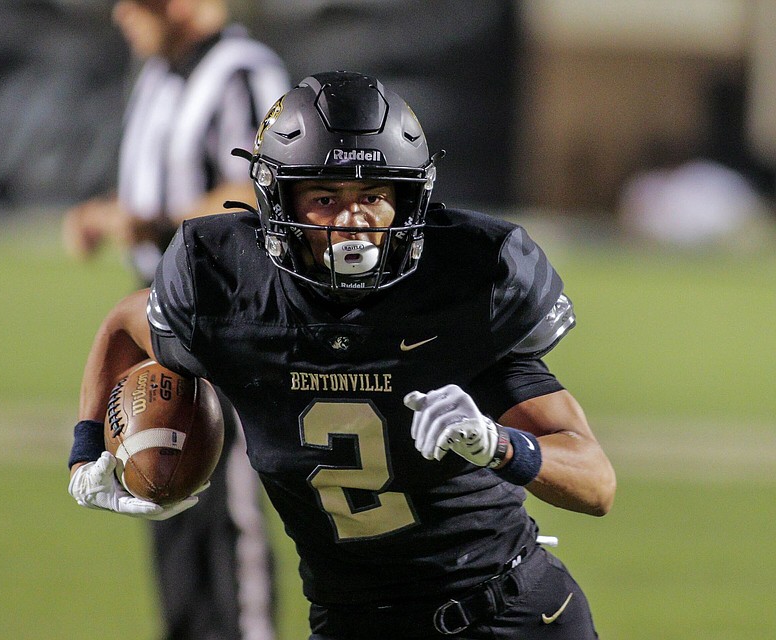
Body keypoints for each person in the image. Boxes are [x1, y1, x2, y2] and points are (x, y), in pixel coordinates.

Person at [67, 71, 616, 639]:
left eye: (373, 196)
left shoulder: (464, 286)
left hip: (506, 615)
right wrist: (85, 451)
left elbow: (596, 482)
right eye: (326, 198)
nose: (352, 222)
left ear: (409, 198)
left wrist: (499, 445)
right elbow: (125, 323)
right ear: (277, 199)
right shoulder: (229, 287)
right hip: (350, 621)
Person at [63, 2, 291, 639]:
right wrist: (110, 216)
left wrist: (155, 223)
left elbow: (256, 191)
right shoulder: (162, 75)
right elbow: (158, 199)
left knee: (229, 507)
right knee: (161, 489)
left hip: (222, 310)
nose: (121, 14)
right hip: (156, 310)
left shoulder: (243, 71)